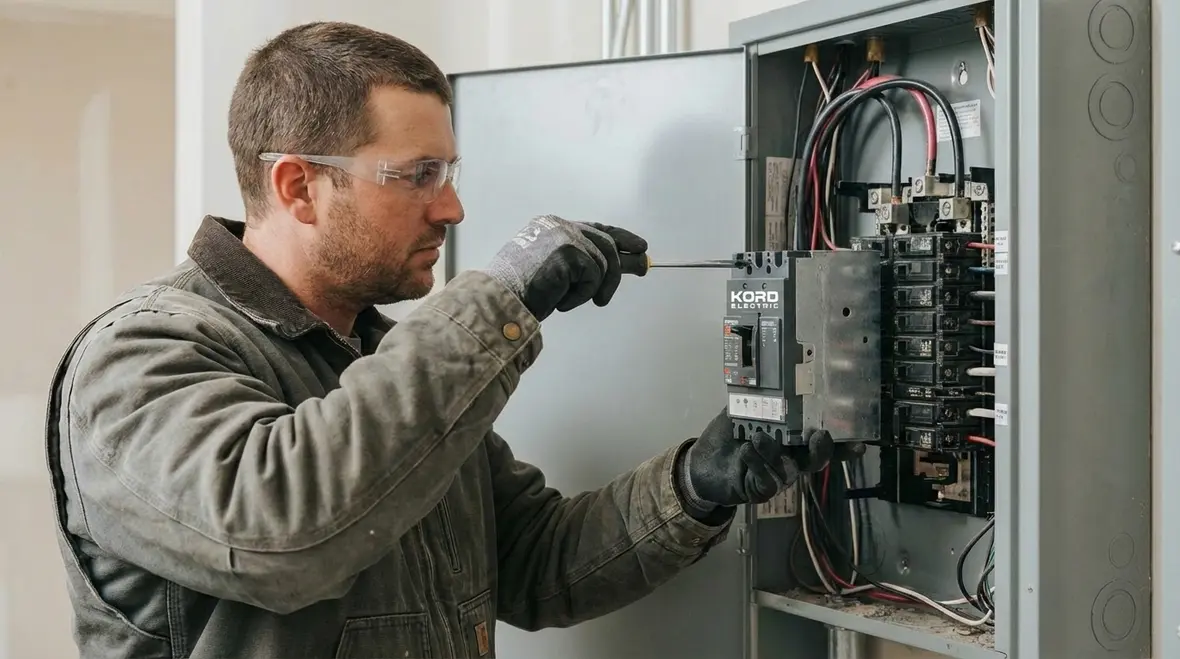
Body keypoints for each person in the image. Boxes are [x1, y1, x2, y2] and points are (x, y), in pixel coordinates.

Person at [44, 21, 844, 659]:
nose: (452, 208)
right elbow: (280, 532)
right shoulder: (141, 356)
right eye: (417, 175)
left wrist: (694, 485)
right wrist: (497, 302)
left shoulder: (379, 362)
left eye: (450, 172)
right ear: (298, 187)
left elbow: (531, 563)